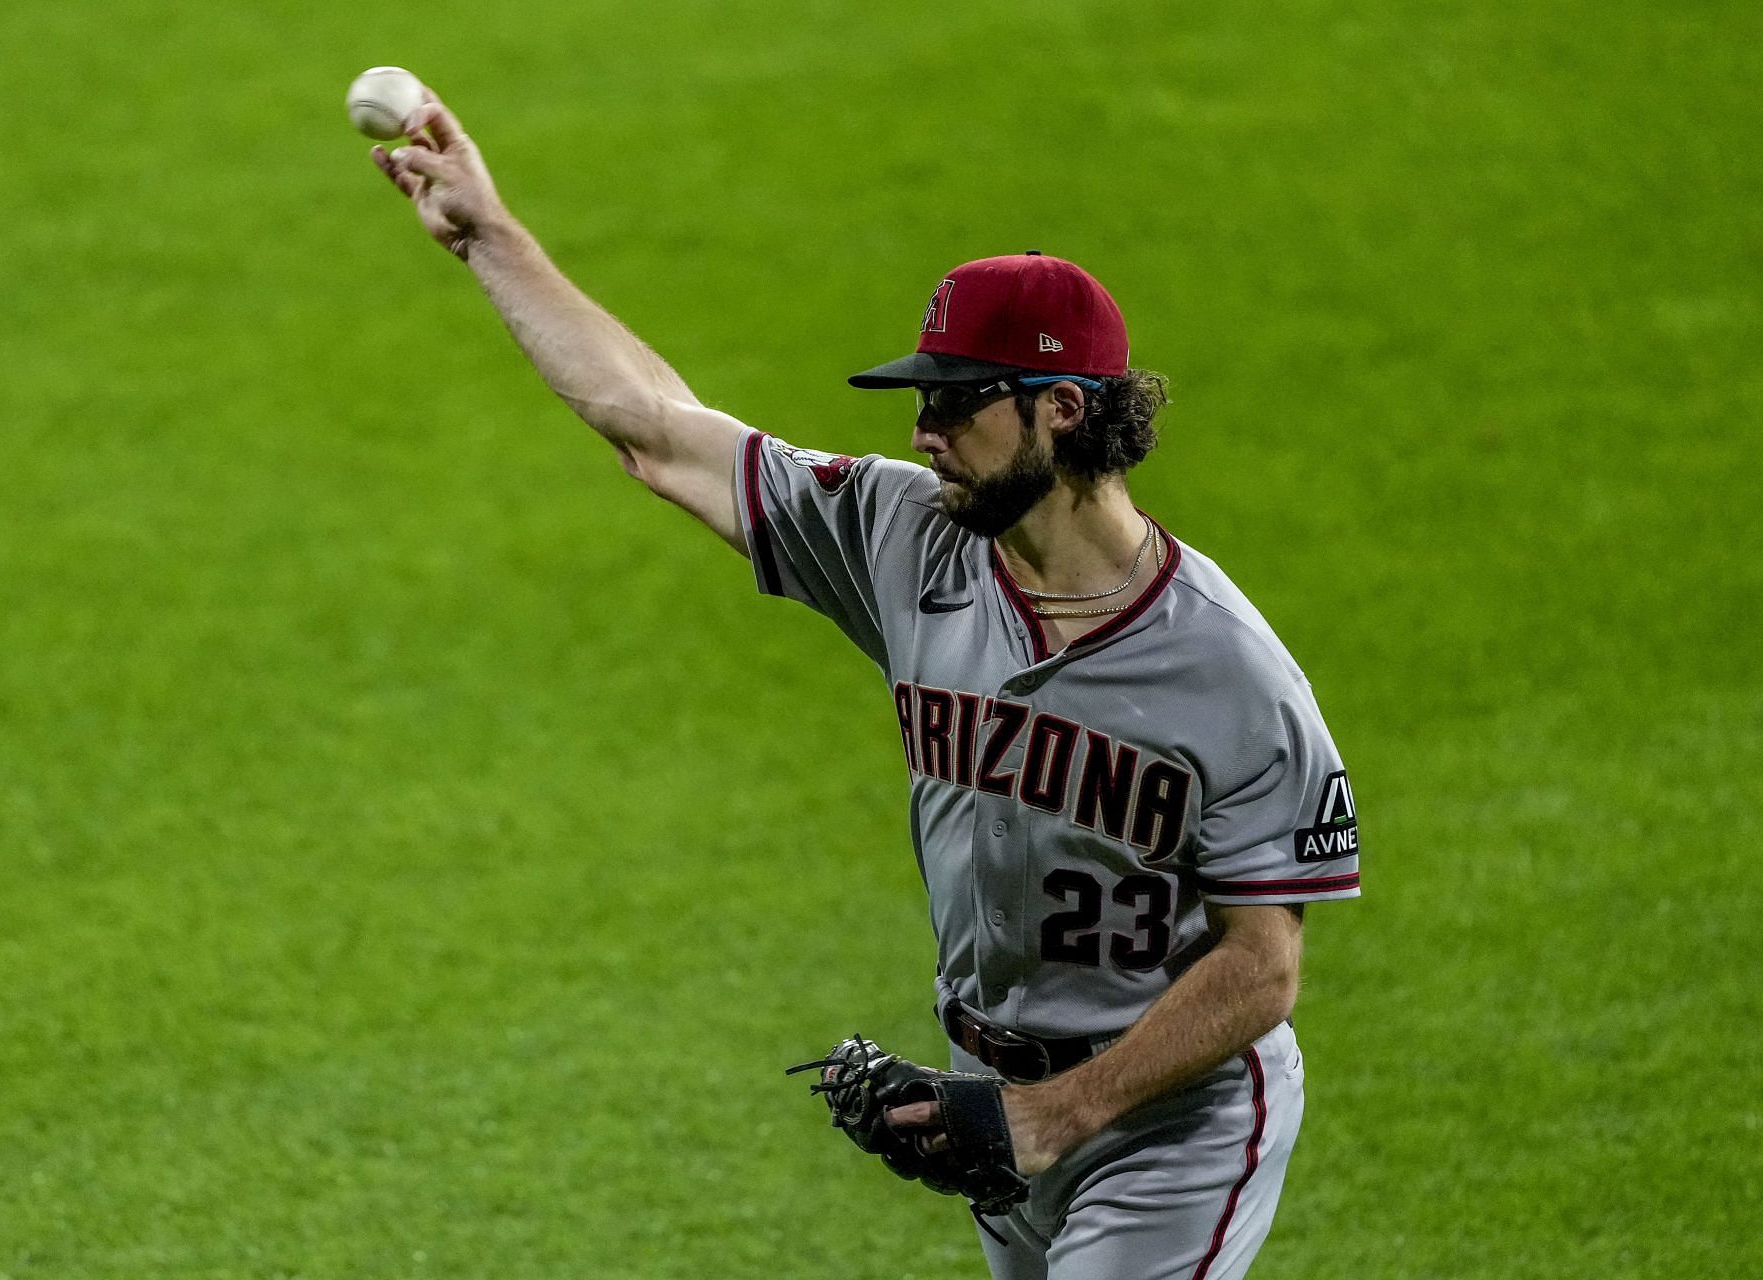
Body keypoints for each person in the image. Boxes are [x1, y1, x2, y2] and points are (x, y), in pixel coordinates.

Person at [372, 88, 1362, 1280]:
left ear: (1061, 408)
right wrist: (490, 232)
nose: (927, 428)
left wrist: (1058, 1114)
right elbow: (656, 427)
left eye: (957, 398)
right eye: (921, 399)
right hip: (997, 1107)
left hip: (1169, 1126)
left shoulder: (1231, 674)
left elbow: (1264, 966)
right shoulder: (909, 540)